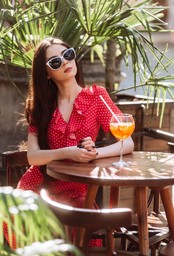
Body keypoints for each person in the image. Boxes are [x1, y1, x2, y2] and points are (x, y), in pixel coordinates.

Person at [17, 37, 134, 208]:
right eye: (56, 62)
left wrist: (92, 153)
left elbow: (127, 142)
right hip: (38, 187)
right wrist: (68, 153)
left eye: (68, 54)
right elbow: (33, 157)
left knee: (79, 227)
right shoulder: (41, 106)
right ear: (46, 74)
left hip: (76, 191)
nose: (65, 62)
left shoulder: (97, 96)